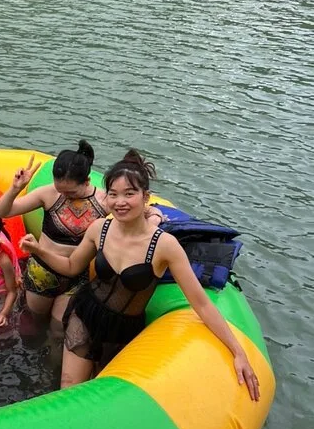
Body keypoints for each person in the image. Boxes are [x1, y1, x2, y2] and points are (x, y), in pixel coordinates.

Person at [19, 149, 260, 401]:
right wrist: (38, 250)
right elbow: (71, 266)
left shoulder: (164, 245)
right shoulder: (100, 228)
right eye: (113, 194)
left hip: (122, 330)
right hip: (85, 316)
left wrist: (238, 351)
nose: (120, 202)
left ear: (145, 196)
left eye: (129, 193)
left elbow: (201, 303)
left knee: (101, 396)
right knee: (68, 390)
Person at [0, 141, 163, 328]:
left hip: (77, 276)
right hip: (42, 272)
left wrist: (155, 218)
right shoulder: (49, 194)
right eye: (61, 190)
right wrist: (15, 188)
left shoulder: (104, 201)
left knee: (59, 328)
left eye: (71, 192)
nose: (65, 195)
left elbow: (147, 210)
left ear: (87, 181)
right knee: (35, 323)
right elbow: (1, 212)